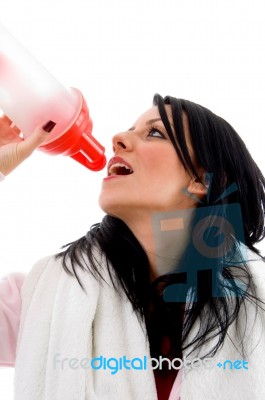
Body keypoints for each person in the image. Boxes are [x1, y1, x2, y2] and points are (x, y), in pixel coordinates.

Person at [0, 95, 265, 400]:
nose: (118, 139)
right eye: (130, 129)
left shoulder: (257, 301)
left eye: (154, 133)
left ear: (201, 180)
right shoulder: (42, 296)